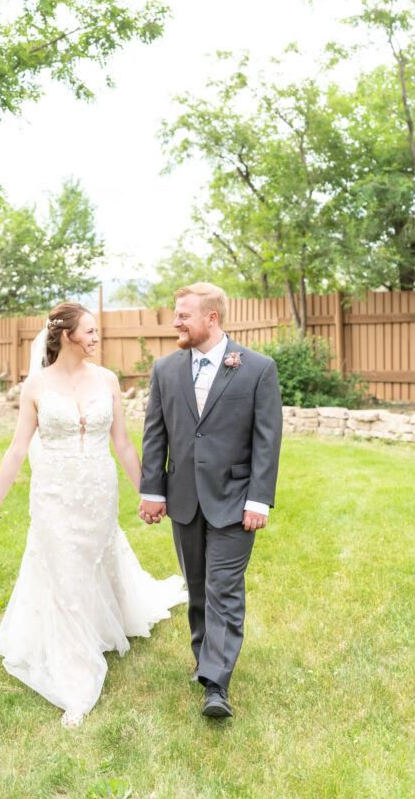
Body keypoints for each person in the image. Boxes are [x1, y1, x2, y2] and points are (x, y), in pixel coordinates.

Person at [0, 301, 186, 728]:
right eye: (89, 331)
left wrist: (150, 492)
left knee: (95, 561)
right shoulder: (35, 387)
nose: (96, 337)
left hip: (99, 489)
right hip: (53, 494)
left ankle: (105, 621)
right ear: (66, 335)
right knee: (65, 573)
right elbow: (18, 449)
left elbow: (124, 444)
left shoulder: (107, 380)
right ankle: (76, 681)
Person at [139, 282, 282, 719]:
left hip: (236, 500)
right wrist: (152, 490)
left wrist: (258, 499)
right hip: (183, 499)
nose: (176, 322)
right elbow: (155, 434)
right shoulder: (165, 370)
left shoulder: (257, 368)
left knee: (224, 588)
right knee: (198, 589)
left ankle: (216, 684)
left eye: (183, 314)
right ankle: (206, 660)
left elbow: (267, 439)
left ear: (211, 319)